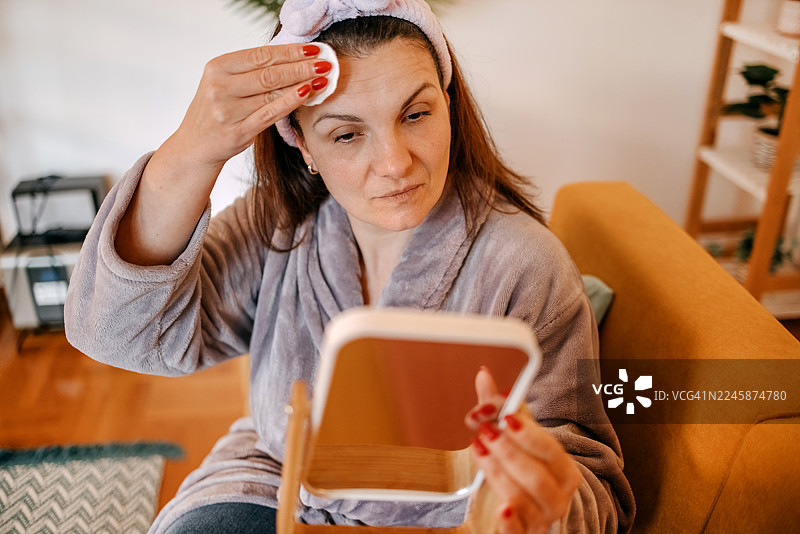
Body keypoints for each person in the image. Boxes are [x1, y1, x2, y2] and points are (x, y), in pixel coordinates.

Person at [64, 0, 635, 532]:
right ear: (304, 148)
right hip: (271, 481)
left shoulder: (524, 263)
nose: (394, 162)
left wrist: (546, 502)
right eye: (346, 133)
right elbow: (119, 332)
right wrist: (191, 149)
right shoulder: (278, 227)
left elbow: (592, 485)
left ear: (449, 105)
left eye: (415, 114)